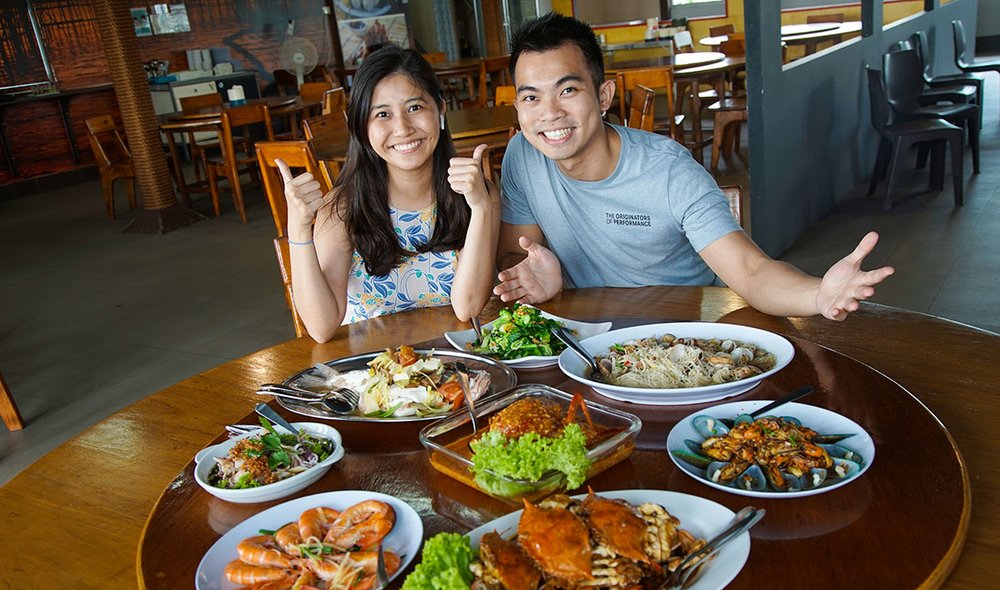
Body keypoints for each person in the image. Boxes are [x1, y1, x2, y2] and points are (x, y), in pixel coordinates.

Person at [495, 13, 894, 321]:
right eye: (531, 98)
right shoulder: (523, 156)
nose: (549, 113)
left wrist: (817, 294)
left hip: (685, 335)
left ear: (603, 96)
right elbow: (517, 252)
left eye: (567, 90)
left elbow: (750, 270)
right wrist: (539, 274)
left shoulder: (667, 171)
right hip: (588, 338)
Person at [277, 46, 499, 343]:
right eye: (382, 114)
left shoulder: (475, 195)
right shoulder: (344, 207)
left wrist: (482, 209)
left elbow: (467, 308)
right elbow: (321, 328)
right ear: (362, 127)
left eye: (415, 108)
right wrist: (298, 228)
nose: (403, 128)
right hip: (373, 375)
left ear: (441, 110)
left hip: (452, 368)